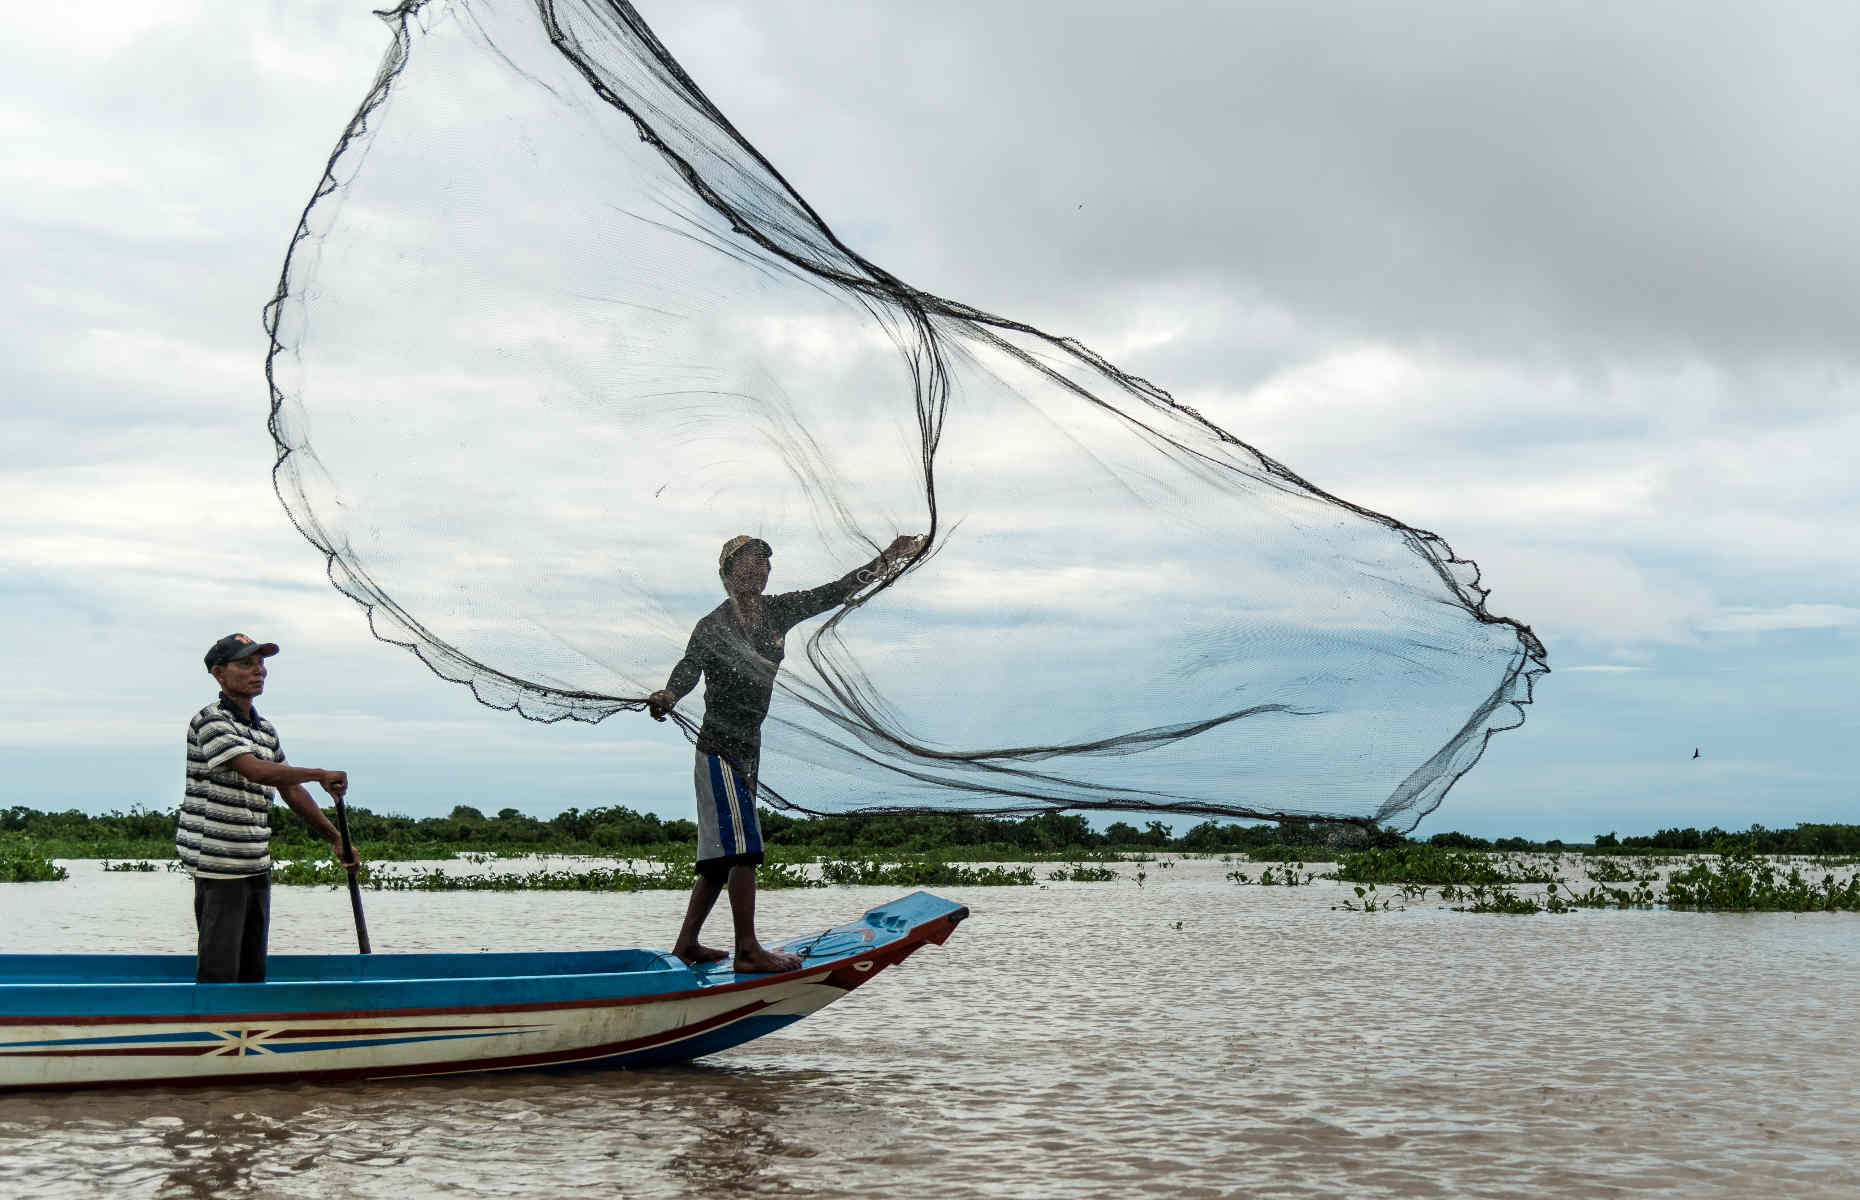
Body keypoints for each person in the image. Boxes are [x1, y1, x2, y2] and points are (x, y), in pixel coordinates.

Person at [648, 533, 923, 972]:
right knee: (742, 851)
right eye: (748, 562)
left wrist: (889, 557)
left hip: (747, 751)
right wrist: (669, 693)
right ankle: (747, 951)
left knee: (721, 858)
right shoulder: (712, 626)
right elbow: (688, 668)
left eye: (765, 563)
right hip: (718, 749)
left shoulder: (779, 610)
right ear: (726, 574)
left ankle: (686, 946)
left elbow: (837, 590)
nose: (759, 569)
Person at [177, 633, 359, 983]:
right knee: (220, 971)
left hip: (255, 860)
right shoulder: (210, 721)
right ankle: (217, 1031)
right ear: (218, 673)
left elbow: (289, 787)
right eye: (245, 664)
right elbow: (256, 770)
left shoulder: (264, 729)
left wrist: (336, 838)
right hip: (220, 861)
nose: (258, 671)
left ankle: (249, 1028)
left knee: (251, 970)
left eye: (261, 663)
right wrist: (319, 774)